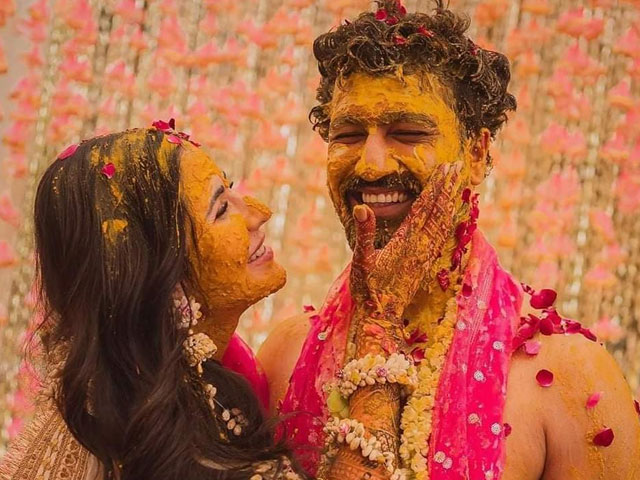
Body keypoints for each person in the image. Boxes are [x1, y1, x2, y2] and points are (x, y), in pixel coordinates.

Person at [259, 1, 640, 479]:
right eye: (348, 135)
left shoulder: (571, 376)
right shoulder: (285, 354)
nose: (371, 166)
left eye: (407, 132)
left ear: (476, 154)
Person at [0, 124, 304, 480]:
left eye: (231, 188)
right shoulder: (156, 445)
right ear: (157, 274)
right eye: (221, 208)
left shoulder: (203, 393)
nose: (259, 212)